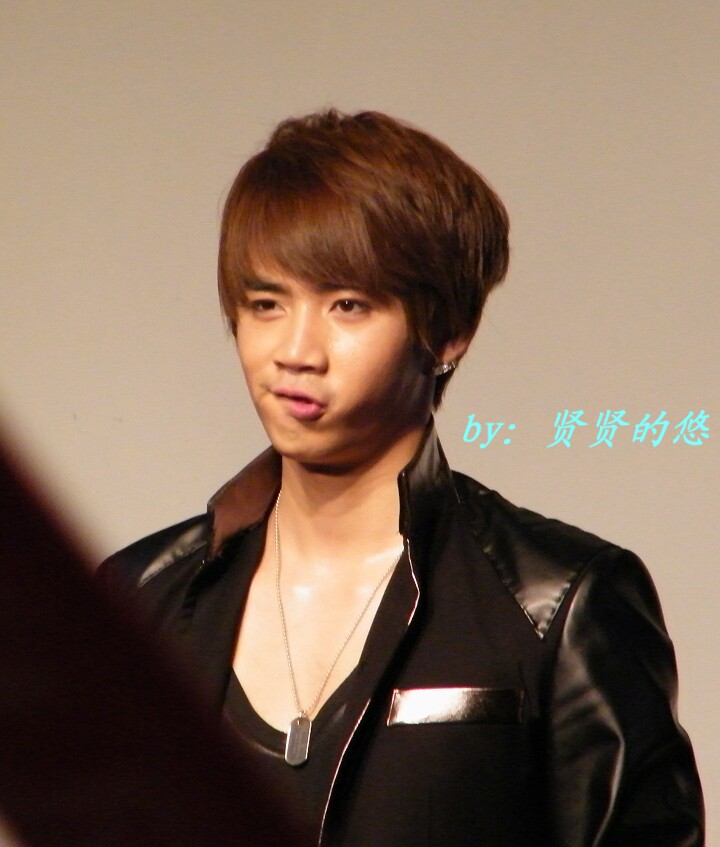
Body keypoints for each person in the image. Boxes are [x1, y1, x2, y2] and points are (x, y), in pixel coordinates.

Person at [99, 109, 704, 846]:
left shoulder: (558, 602)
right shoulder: (137, 602)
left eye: (347, 305)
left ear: (448, 331)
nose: (296, 350)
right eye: (266, 304)